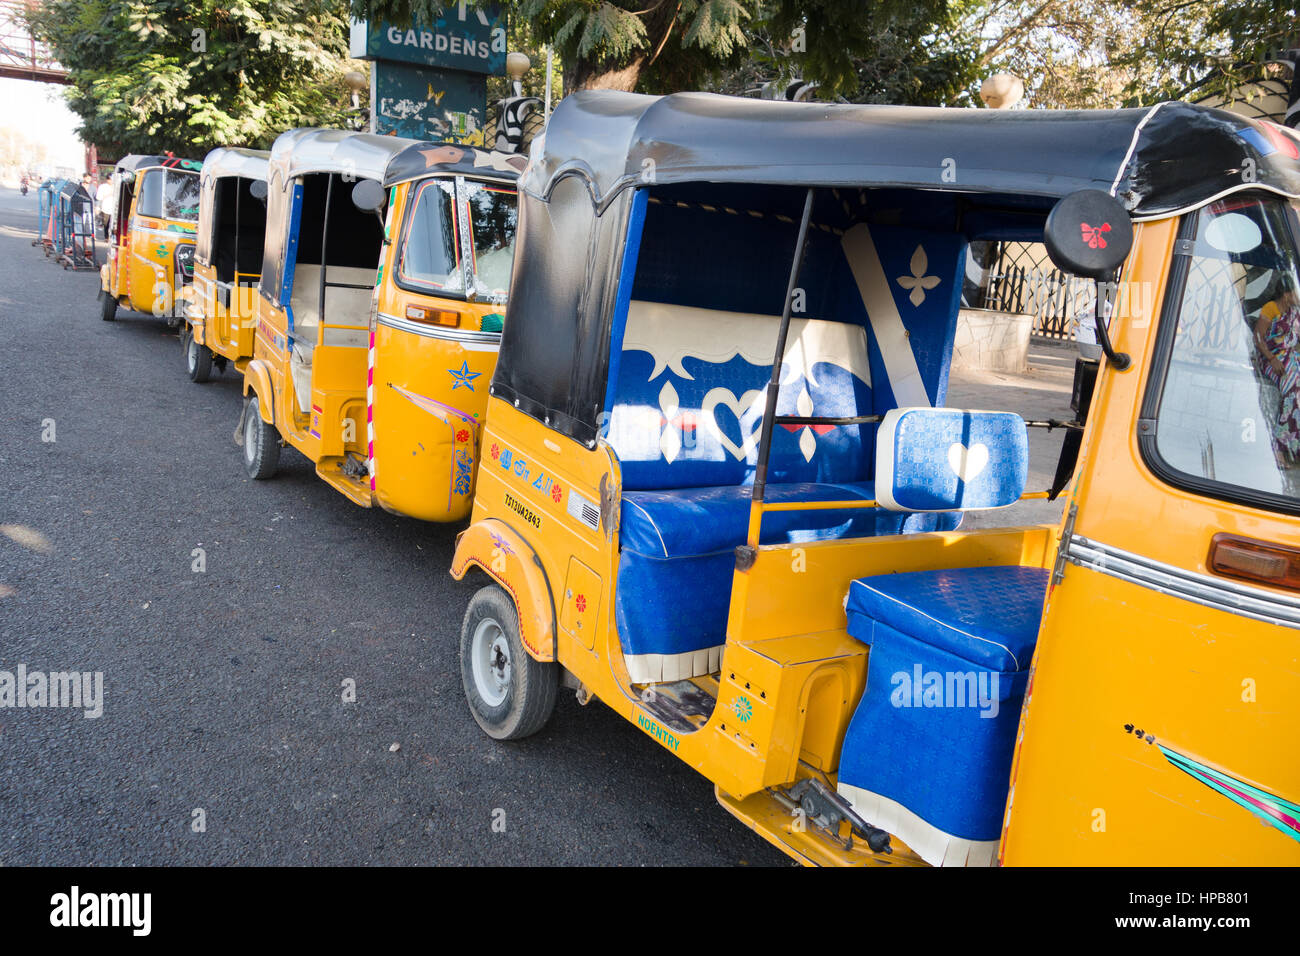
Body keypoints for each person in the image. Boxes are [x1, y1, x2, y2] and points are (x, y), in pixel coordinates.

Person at [1254, 283, 1300, 461]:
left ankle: (1294, 446)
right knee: (1293, 390)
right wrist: (1272, 359)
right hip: (1270, 359)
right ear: (1287, 293)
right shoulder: (1271, 307)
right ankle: (1278, 447)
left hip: (1290, 357)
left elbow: (1295, 341)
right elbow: (1258, 336)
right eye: (1296, 291)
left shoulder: (1295, 313)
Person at [95, 174, 114, 239]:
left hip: (114, 209)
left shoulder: (116, 186)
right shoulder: (102, 187)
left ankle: (112, 237)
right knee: (106, 223)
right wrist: (97, 207)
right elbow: (99, 198)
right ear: (107, 180)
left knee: (113, 224)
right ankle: (106, 237)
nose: (111, 181)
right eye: (109, 179)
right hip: (105, 208)